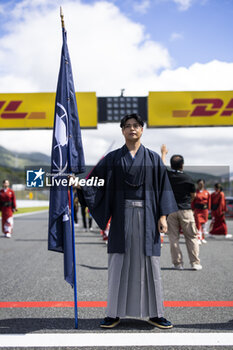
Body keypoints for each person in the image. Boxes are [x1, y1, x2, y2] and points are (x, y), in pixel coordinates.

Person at [78, 114, 178, 329]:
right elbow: (96, 182)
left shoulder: (152, 158)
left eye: (136, 126)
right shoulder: (113, 158)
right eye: (128, 126)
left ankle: (155, 313)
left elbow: (163, 188)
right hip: (122, 217)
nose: (132, 129)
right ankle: (113, 313)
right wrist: (80, 185)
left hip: (148, 217)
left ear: (142, 130)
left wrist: (162, 216)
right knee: (118, 263)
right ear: (122, 131)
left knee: (150, 264)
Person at [161, 145, 202, 271]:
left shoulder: (167, 175)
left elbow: (162, 166)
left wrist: (163, 153)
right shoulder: (188, 178)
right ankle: (195, 263)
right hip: (185, 210)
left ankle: (178, 264)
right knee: (191, 237)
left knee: (173, 238)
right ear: (182, 165)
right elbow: (193, 195)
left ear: (172, 165)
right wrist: (188, 202)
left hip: (171, 210)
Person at [192, 179, 211, 244]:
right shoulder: (195, 192)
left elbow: (209, 201)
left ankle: (202, 237)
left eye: (202, 183)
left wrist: (209, 209)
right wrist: (192, 209)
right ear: (197, 184)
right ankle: (198, 238)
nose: (201, 185)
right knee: (198, 224)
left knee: (204, 224)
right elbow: (193, 201)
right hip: (197, 210)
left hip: (204, 210)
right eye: (199, 184)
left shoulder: (207, 192)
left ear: (204, 184)